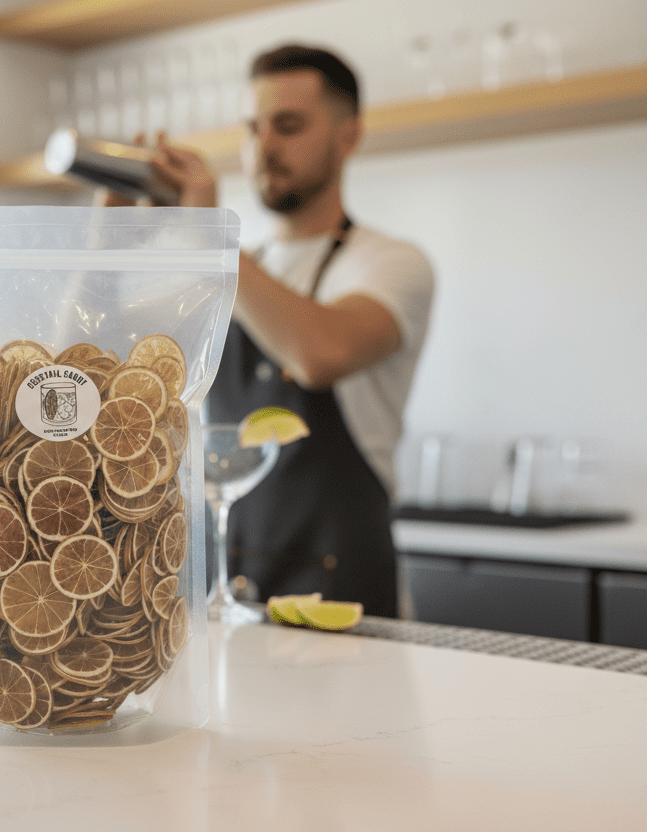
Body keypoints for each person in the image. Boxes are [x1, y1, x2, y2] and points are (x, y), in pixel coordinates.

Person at [101, 44, 434, 617]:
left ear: (348, 135)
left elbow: (317, 353)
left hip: (348, 608)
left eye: (289, 126)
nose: (264, 148)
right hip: (231, 598)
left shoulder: (391, 263)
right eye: (254, 130)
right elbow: (93, 360)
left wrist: (210, 237)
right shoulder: (225, 265)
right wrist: (104, 242)